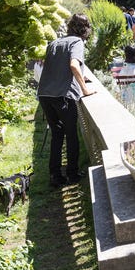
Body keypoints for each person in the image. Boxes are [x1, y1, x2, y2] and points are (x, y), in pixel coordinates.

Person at [37, 14, 96, 188]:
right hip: (63, 95)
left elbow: (56, 67)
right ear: (84, 30)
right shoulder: (76, 42)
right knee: (71, 135)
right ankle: (72, 174)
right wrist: (84, 89)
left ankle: (55, 176)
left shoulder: (55, 43)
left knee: (57, 134)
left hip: (45, 95)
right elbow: (73, 65)